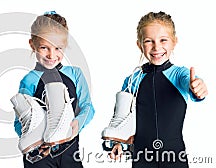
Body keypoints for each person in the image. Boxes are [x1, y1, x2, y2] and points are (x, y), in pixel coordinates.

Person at [109, 11, 208, 168]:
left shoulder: (179, 74)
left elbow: (191, 84)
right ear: (139, 45)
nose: (156, 47)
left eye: (163, 40)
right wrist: (119, 143)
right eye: (149, 41)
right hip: (142, 158)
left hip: (175, 158)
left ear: (174, 42)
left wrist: (198, 87)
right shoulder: (132, 80)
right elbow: (122, 120)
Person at [14, 11, 95, 168]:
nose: (52, 55)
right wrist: (34, 142)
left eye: (58, 48)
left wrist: (76, 125)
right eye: (44, 47)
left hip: (70, 151)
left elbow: (87, 107)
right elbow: (20, 120)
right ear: (32, 45)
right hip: (40, 156)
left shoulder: (75, 74)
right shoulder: (29, 80)